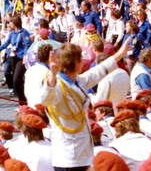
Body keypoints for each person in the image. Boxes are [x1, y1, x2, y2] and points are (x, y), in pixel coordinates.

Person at [40, 40, 129, 171]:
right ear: (75, 63)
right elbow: (46, 99)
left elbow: (98, 71)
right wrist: (52, 76)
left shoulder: (77, 81)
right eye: (81, 59)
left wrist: (120, 54)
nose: (83, 62)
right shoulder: (58, 85)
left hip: (83, 153)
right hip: (68, 156)